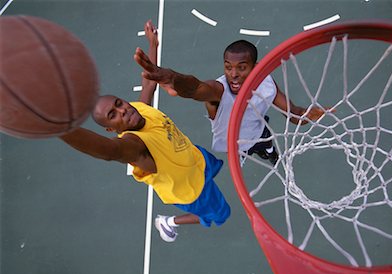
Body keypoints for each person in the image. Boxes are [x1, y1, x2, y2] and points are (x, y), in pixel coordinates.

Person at [59, 20, 230, 243]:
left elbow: (149, 82)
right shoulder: (135, 146)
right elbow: (109, 150)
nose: (123, 110)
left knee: (212, 170)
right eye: (113, 115)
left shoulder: (138, 110)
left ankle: (197, 185)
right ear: (112, 129)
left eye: (119, 103)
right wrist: (60, 129)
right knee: (220, 214)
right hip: (192, 192)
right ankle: (169, 222)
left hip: (195, 159)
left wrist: (153, 45)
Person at [133, 39, 330, 165]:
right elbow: (195, 88)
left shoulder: (267, 84)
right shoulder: (219, 91)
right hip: (234, 142)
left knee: (267, 145)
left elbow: (294, 114)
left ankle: (269, 152)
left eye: (241, 68)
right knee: (243, 152)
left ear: (256, 67)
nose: (233, 74)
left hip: (258, 131)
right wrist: (173, 78)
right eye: (228, 67)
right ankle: (249, 153)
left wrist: (313, 114)